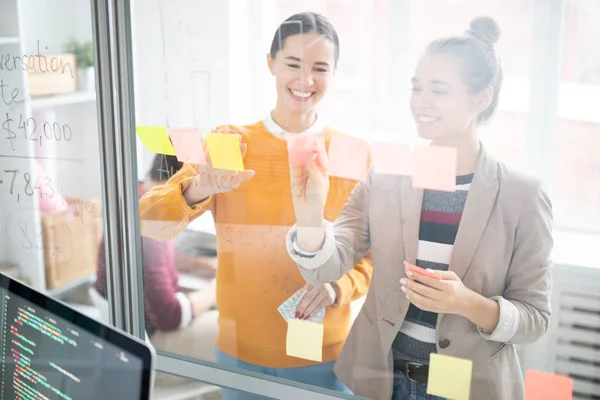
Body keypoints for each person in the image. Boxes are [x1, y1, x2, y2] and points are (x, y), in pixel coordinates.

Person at [286, 16, 553, 400]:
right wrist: (310, 215)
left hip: (468, 388)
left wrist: (468, 304)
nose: (420, 102)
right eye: (416, 87)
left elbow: (535, 319)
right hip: (382, 381)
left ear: (482, 98)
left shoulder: (522, 195)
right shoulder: (387, 176)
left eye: (439, 90)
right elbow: (328, 266)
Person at [138, 12, 373, 399]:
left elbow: (369, 254)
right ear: (270, 63)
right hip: (240, 353)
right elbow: (150, 221)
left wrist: (338, 286)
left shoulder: (352, 152)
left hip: (321, 354)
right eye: (293, 64)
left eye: (319, 68)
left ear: (334, 73)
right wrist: (199, 187)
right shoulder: (231, 144)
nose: (305, 80)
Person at [95, 154, 218, 364]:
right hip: (151, 343)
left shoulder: (138, 201)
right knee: (233, 327)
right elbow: (170, 315)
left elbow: (150, 258)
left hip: (129, 333)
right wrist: (217, 287)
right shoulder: (157, 221)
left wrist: (197, 263)